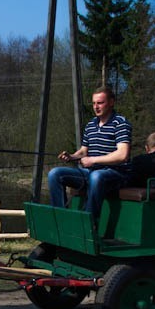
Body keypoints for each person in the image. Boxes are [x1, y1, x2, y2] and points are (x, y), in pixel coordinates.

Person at [48, 86, 132, 219]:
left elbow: (122, 155)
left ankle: (88, 224)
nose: (96, 107)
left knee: (97, 176)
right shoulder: (91, 125)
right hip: (91, 173)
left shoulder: (120, 123)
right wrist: (72, 156)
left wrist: (93, 160)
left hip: (116, 174)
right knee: (55, 174)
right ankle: (60, 219)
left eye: (100, 103)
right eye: (93, 103)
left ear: (111, 102)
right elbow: (83, 151)